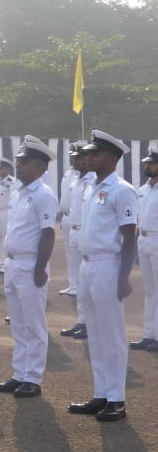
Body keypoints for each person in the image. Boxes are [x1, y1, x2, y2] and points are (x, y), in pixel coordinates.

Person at [68, 130, 137, 422]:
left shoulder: (122, 189)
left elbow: (129, 236)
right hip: (87, 265)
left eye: (94, 154)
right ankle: (102, 394)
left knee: (112, 336)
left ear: (111, 158)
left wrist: (124, 277)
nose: (88, 158)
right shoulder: (90, 187)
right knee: (95, 336)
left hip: (108, 265)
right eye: (87, 154)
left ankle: (117, 399)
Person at [0, 136, 57, 398]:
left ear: (40, 167)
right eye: (18, 161)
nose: (19, 166)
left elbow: (48, 233)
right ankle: (19, 373)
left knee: (34, 324)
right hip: (13, 263)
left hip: (31, 265)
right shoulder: (19, 192)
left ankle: (33, 378)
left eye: (25, 162)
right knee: (18, 323)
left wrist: (40, 268)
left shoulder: (43, 194)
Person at [59, 147, 95, 339]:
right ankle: (82, 321)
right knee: (80, 281)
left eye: (79, 158)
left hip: (85, 231)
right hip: (73, 230)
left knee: (87, 282)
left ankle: (90, 322)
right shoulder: (76, 178)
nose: (75, 161)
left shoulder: (92, 181)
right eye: (73, 158)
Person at [132, 147, 158, 352]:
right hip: (144, 240)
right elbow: (138, 221)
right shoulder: (142, 190)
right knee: (150, 291)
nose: (147, 166)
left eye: (151, 163)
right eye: (146, 163)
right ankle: (149, 334)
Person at [56, 144, 84, 295]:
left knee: (80, 254)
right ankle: (73, 283)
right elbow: (64, 195)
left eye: (76, 156)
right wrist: (60, 212)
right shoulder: (68, 173)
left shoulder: (83, 175)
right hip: (66, 217)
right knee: (70, 253)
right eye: (71, 156)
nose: (73, 159)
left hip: (77, 219)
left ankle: (80, 284)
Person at [0, 157, 15, 273]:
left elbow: (14, 197)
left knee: (5, 237)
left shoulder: (12, 181)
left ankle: (6, 262)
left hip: (6, 211)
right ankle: (1, 262)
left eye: (1, 168)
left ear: (8, 169)